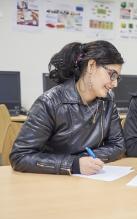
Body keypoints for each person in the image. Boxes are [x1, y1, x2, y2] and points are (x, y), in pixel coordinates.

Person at [10, 40, 126, 175]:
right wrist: (73, 164)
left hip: (90, 180)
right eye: (112, 75)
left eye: (118, 77)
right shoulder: (50, 103)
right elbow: (20, 156)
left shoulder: (108, 101)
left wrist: (85, 160)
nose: (115, 83)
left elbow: (118, 145)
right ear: (91, 66)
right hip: (52, 183)